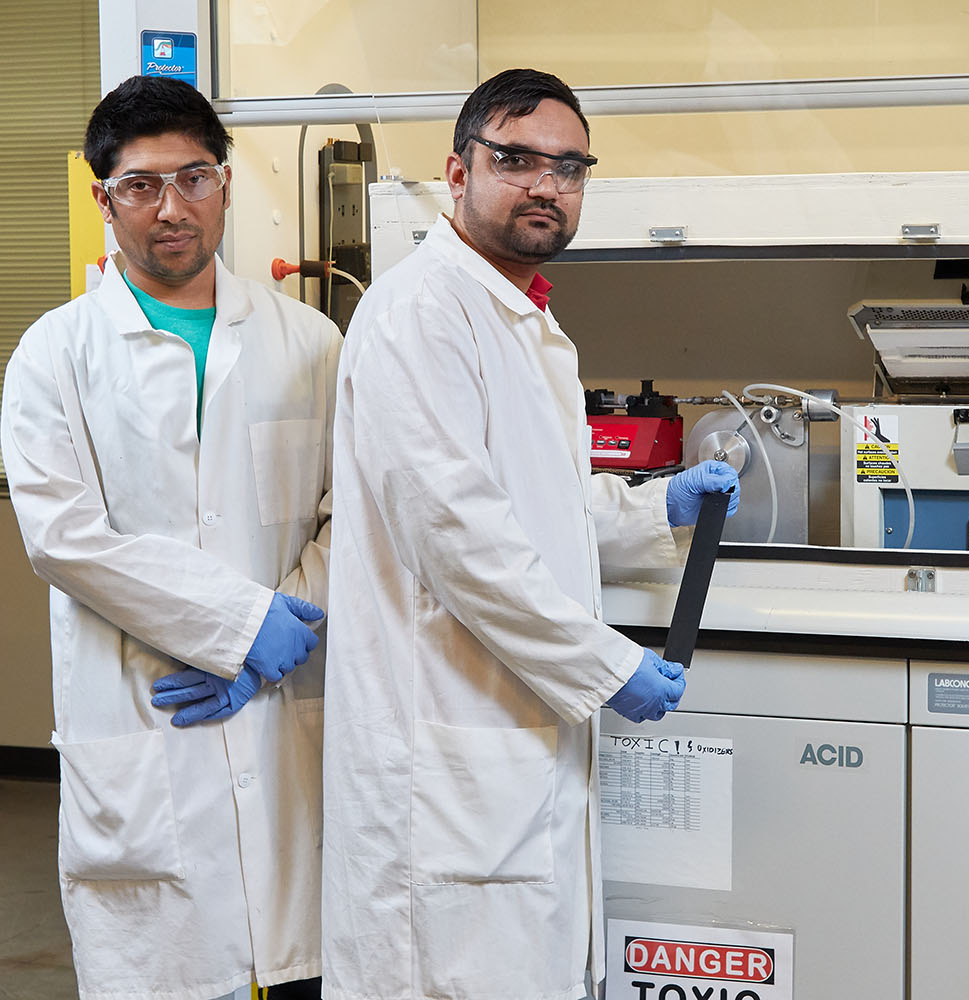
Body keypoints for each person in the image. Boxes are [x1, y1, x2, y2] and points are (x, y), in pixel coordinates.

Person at [320, 67, 739, 1000]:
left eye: (569, 167)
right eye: (516, 159)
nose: (546, 184)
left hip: (507, 753)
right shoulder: (420, 313)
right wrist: (605, 664)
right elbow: (460, 540)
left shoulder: (524, 318)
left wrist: (653, 506)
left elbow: (532, 503)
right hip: (443, 760)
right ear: (457, 171)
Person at [0, 75, 339, 999]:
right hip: (148, 726)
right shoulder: (54, 353)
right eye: (141, 185)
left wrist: (279, 632)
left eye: (193, 177)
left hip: (280, 721)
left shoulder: (310, 343)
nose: (172, 208)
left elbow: (347, 513)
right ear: (103, 197)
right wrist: (234, 628)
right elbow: (65, 538)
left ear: (226, 183)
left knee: (303, 961)